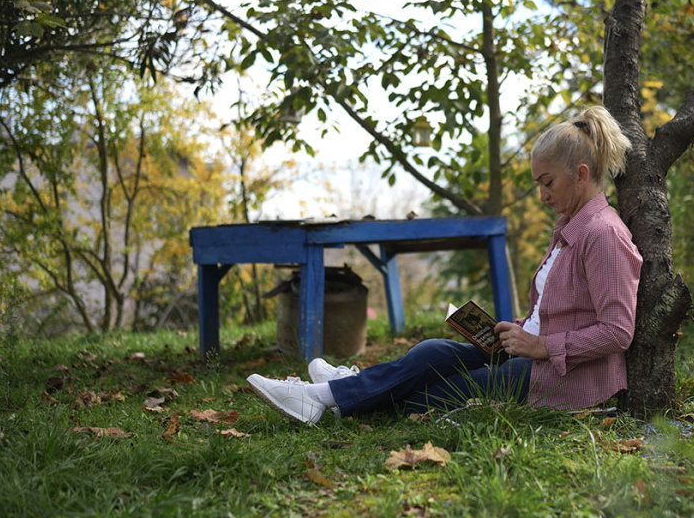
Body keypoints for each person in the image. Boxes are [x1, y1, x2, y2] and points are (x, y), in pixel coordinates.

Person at [247, 105, 643, 424]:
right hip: (532, 356)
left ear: (581, 175)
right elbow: (561, 311)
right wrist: (519, 330)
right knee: (433, 351)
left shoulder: (603, 234)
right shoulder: (570, 227)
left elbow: (617, 331)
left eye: (547, 182)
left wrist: (540, 345)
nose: (541, 195)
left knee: (437, 394)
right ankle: (341, 389)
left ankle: (329, 395)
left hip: (565, 378)